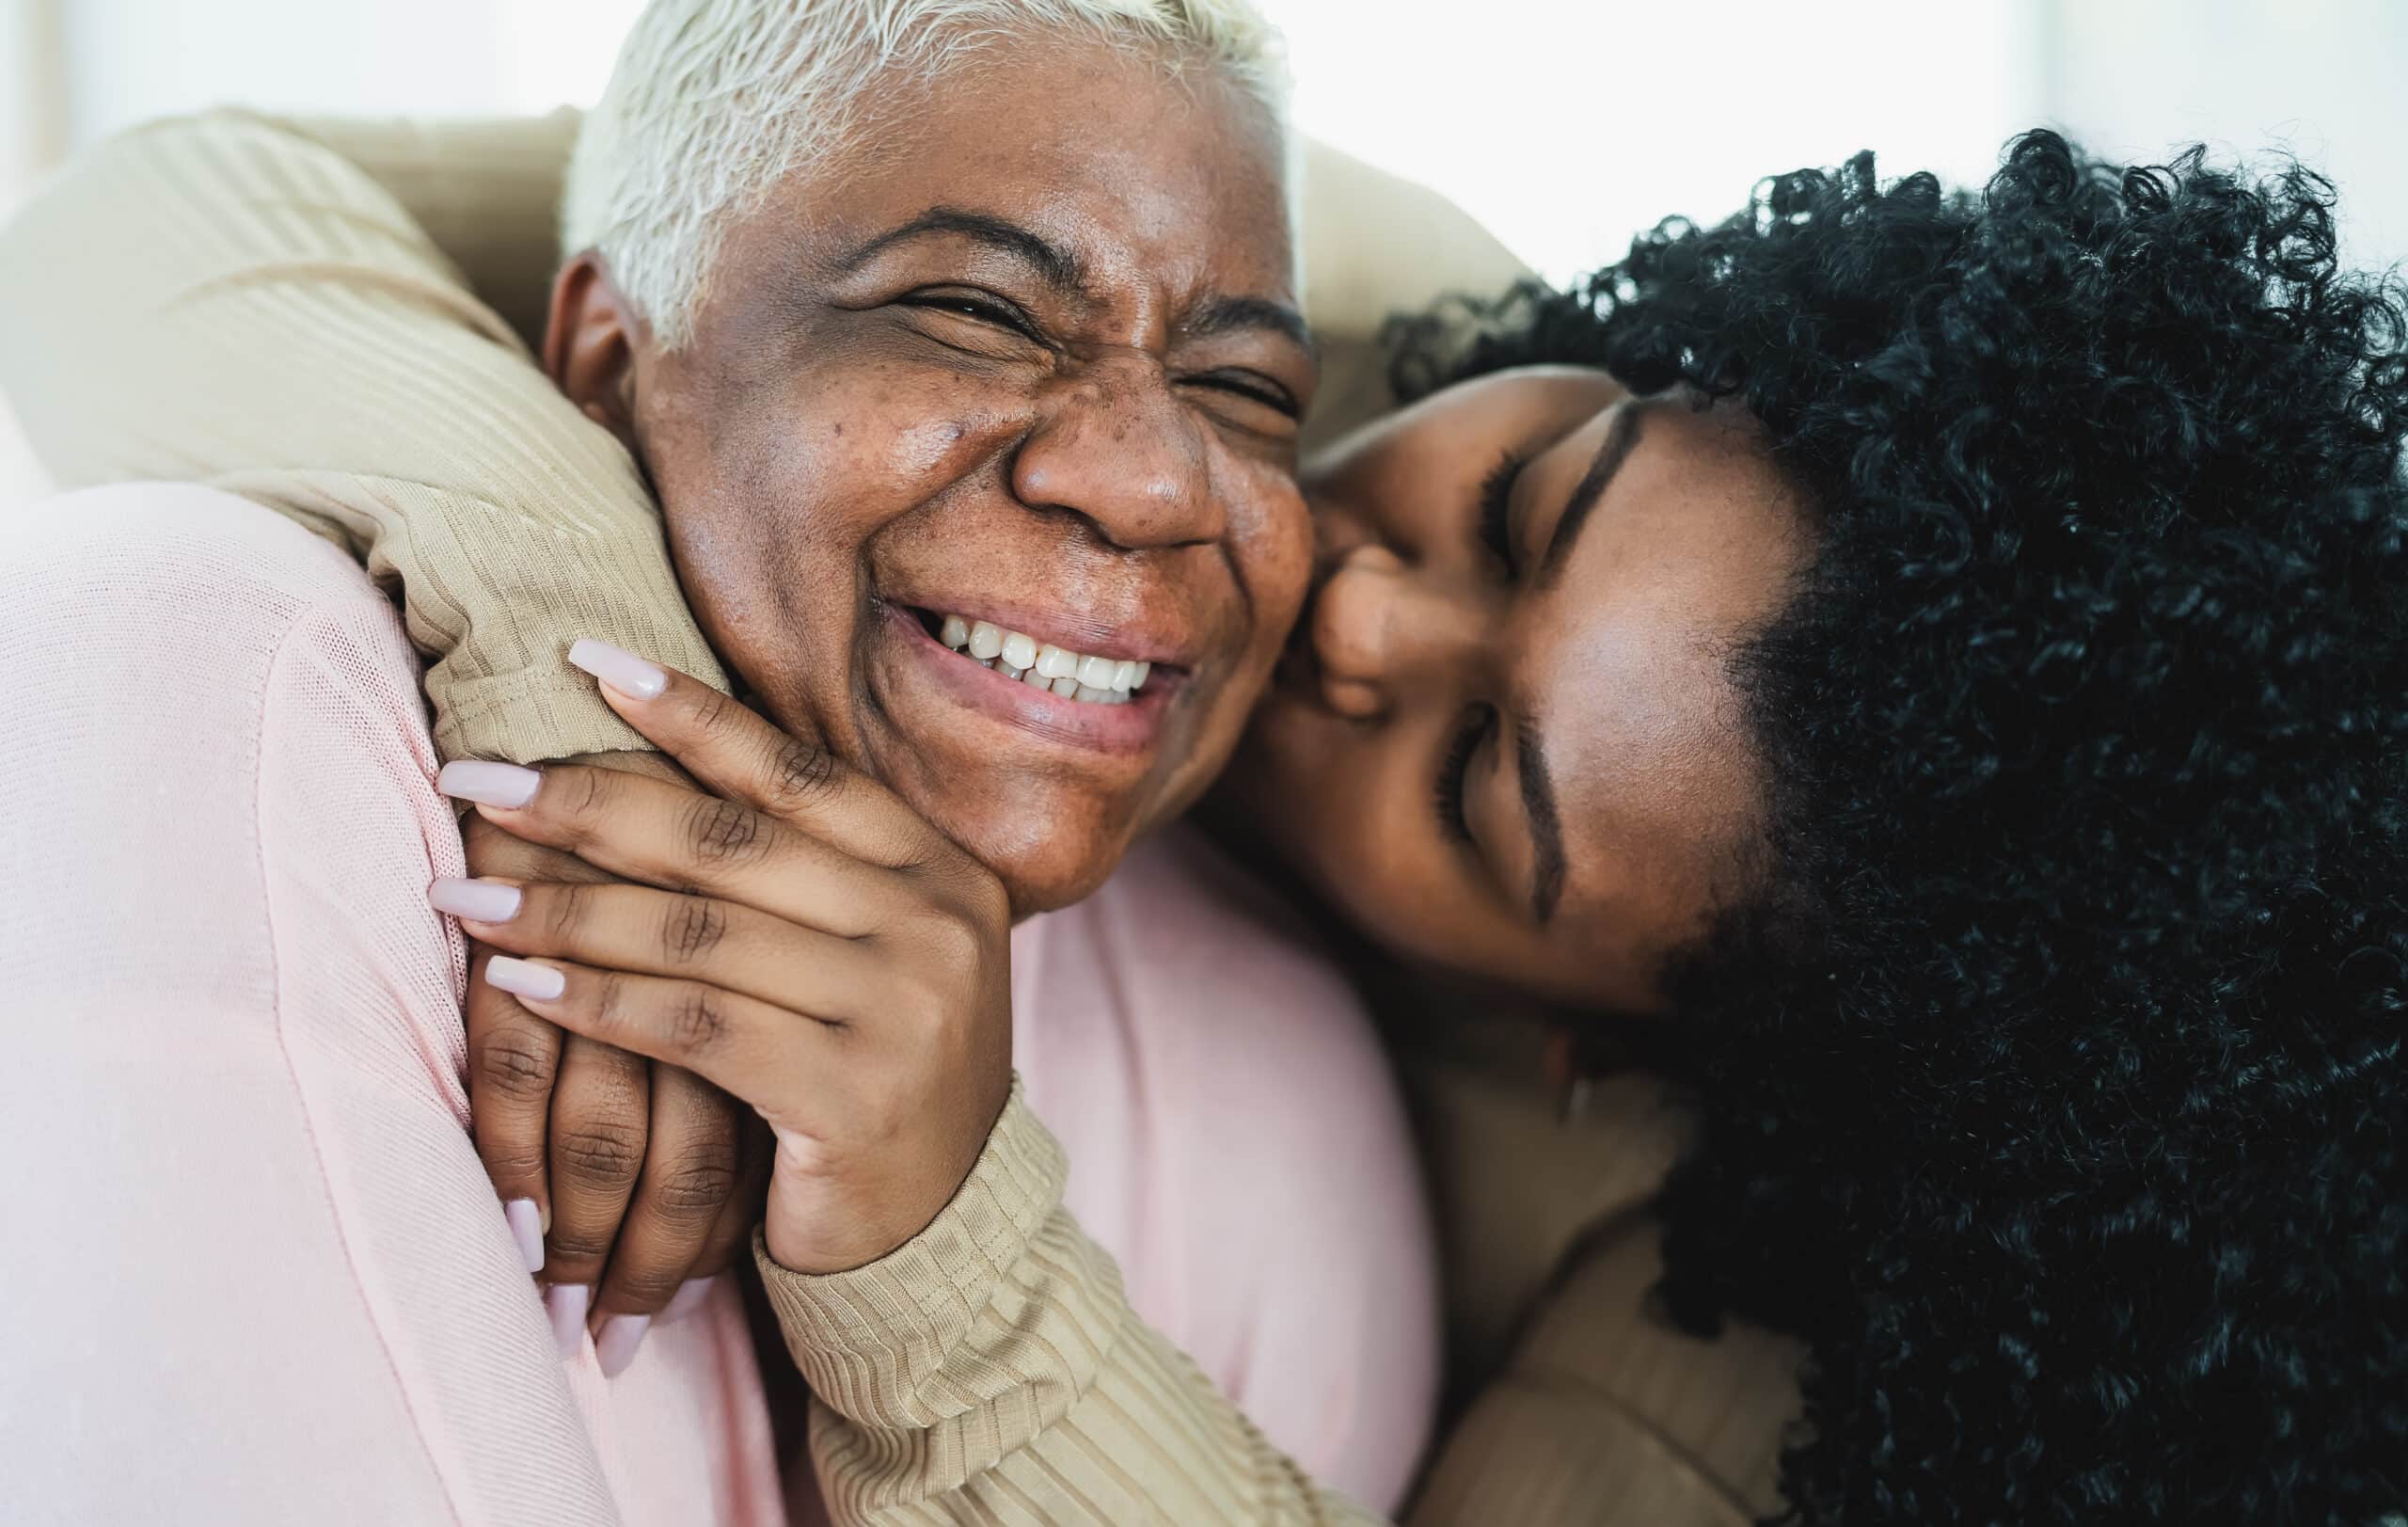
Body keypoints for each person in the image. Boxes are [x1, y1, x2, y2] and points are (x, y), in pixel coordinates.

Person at [10, 17, 2401, 1527]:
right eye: (1518, 498)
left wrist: (941, 1228)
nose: (1354, 594)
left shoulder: (1703, 1344)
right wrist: (578, 675)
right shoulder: (1283, 288)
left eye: (1480, 778)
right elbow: (155, 220)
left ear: (1580, 1038)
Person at [0, 1, 1501, 1520]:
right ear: (603, 357)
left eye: (1248, 394)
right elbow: (129, 223)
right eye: (977, 310)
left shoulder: (1285, 1084)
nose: (1151, 480)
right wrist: (587, 668)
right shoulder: (220, 699)